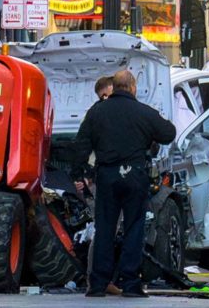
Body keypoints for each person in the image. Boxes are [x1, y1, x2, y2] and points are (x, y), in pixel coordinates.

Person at [73, 70, 176, 298]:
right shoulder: (143, 112)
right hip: (135, 176)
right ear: (132, 87)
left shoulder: (96, 112)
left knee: (105, 230)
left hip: (107, 176)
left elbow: (81, 143)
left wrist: (79, 173)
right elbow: (169, 133)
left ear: (115, 86)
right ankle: (130, 284)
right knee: (134, 229)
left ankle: (98, 284)